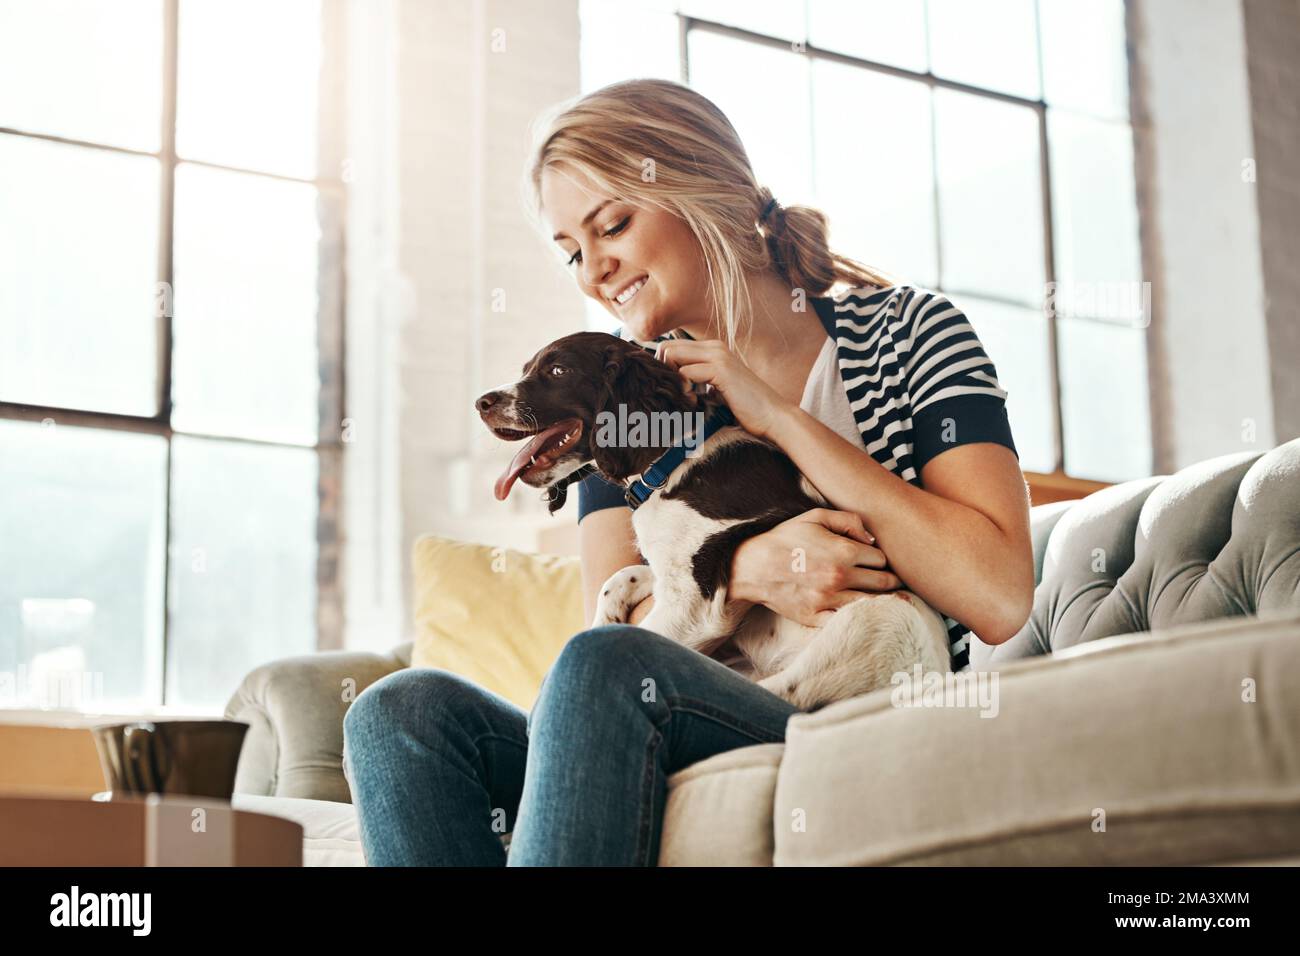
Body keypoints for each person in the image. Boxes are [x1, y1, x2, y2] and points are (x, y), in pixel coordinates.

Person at [343, 78, 1034, 866]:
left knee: (605, 671)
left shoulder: (912, 335)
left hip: (858, 715)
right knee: (401, 712)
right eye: (572, 252)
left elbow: (998, 593)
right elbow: (617, 627)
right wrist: (742, 571)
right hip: (664, 720)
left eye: (613, 226)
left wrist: (778, 418)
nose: (593, 271)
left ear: (706, 191)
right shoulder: (625, 395)